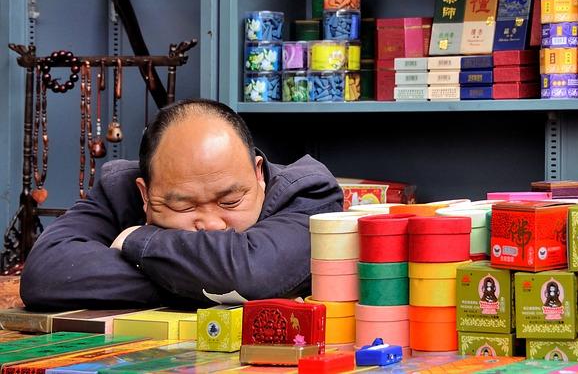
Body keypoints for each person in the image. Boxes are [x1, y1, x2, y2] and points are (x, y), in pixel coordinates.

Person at [20, 99, 343, 310]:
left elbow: (254, 273)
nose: (212, 223)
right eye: (184, 207)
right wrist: (206, 279)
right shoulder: (118, 188)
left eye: (230, 201)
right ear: (145, 195)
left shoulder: (308, 191)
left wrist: (137, 241)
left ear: (258, 174)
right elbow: (45, 275)